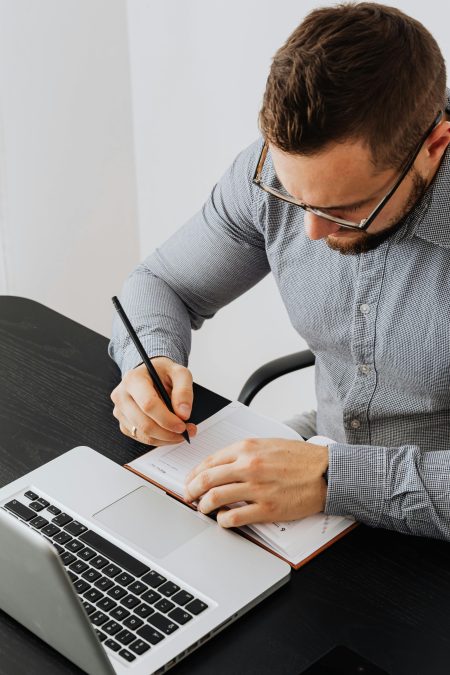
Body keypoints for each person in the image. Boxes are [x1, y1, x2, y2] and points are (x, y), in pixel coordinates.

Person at [108, 3, 450, 540]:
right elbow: (160, 285)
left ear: (434, 147)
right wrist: (150, 360)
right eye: (293, 196)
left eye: (345, 209)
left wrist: (334, 478)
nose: (310, 231)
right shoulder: (272, 171)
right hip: (317, 463)